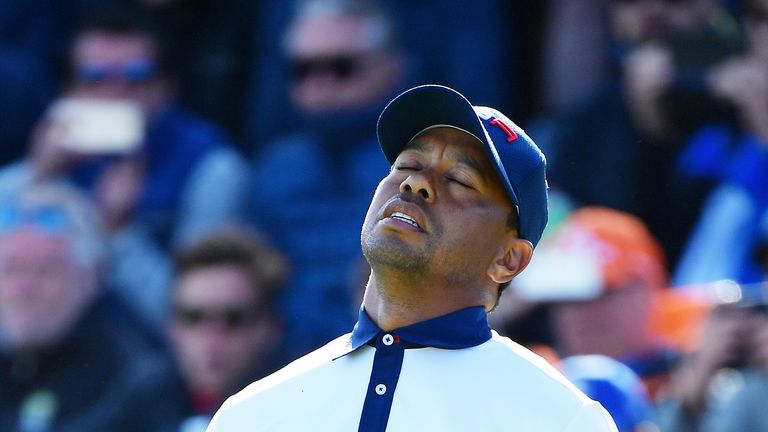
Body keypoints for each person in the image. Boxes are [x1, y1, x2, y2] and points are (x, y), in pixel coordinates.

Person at [207, 85, 617, 431]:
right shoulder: (250, 415)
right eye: (407, 164)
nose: (416, 183)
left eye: (459, 180)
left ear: (508, 259)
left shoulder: (564, 421)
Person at [249, 0, 413, 358]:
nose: (320, 84)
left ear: (392, 68)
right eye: (303, 69)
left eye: (342, 67)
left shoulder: (425, 166)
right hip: (282, 363)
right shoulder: (273, 171)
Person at [0, 181, 159, 431]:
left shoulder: (129, 380)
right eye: (11, 270)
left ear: (92, 277)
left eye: (44, 271)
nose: (23, 288)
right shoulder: (12, 366)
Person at [96, 227, 288, 431]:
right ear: (171, 328)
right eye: (193, 317)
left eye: (233, 318)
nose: (211, 336)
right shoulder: (148, 391)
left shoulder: (295, 399)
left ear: (270, 327)